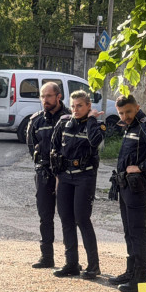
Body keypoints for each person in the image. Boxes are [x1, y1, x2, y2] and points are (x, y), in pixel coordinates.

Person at [110, 95, 146, 292]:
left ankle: (140, 277)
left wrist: (141, 166)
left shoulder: (145, 125)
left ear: (137, 107)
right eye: (121, 113)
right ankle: (131, 271)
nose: (124, 116)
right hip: (125, 184)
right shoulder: (130, 126)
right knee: (129, 230)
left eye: (128, 111)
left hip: (137, 186)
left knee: (137, 231)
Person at [50, 89, 105, 279]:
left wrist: (91, 120)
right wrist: (57, 175)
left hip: (85, 176)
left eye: (80, 106)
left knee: (82, 219)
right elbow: (54, 147)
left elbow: (95, 141)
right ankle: (71, 263)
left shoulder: (96, 125)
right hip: (65, 176)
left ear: (89, 106)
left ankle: (93, 266)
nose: (75, 109)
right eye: (73, 106)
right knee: (66, 219)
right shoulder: (64, 122)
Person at [25, 82, 70, 269]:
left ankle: (71, 261)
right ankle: (46, 257)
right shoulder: (36, 120)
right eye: (42, 96)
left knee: (67, 217)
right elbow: (31, 146)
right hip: (44, 173)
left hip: (65, 175)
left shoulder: (70, 118)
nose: (45, 100)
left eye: (49, 96)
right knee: (45, 216)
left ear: (59, 97)